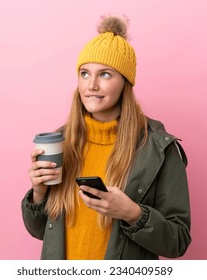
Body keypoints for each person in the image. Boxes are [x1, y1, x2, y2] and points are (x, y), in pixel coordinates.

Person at [21, 15, 191, 260]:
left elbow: (178, 241)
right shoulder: (61, 141)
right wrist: (38, 193)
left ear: (125, 82)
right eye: (85, 73)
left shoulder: (158, 148)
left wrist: (133, 213)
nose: (91, 85)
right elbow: (39, 231)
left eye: (105, 75)